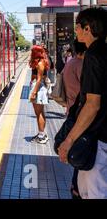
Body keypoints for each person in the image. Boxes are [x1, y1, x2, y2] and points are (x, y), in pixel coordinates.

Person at [57, 7, 107, 199]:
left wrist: (68, 140)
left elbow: (92, 104)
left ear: (88, 28)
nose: (75, 31)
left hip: (98, 140)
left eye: (77, 27)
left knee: (92, 193)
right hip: (103, 137)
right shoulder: (103, 52)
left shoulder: (93, 56)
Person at [61, 39, 87, 199]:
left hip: (73, 111)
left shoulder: (70, 64)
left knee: (80, 153)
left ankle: (76, 186)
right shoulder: (81, 65)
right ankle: (77, 189)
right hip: (81, 115)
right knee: (84, 154)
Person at [29, 45, 51, 144]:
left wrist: (34, 92)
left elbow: (39, 79)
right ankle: (41, 133)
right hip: (38, 87)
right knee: (39, 112)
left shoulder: (41, 63)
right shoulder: (38, 62)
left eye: (33, 52)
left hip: (39, 88)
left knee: (39, 113)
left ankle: (41, 136)